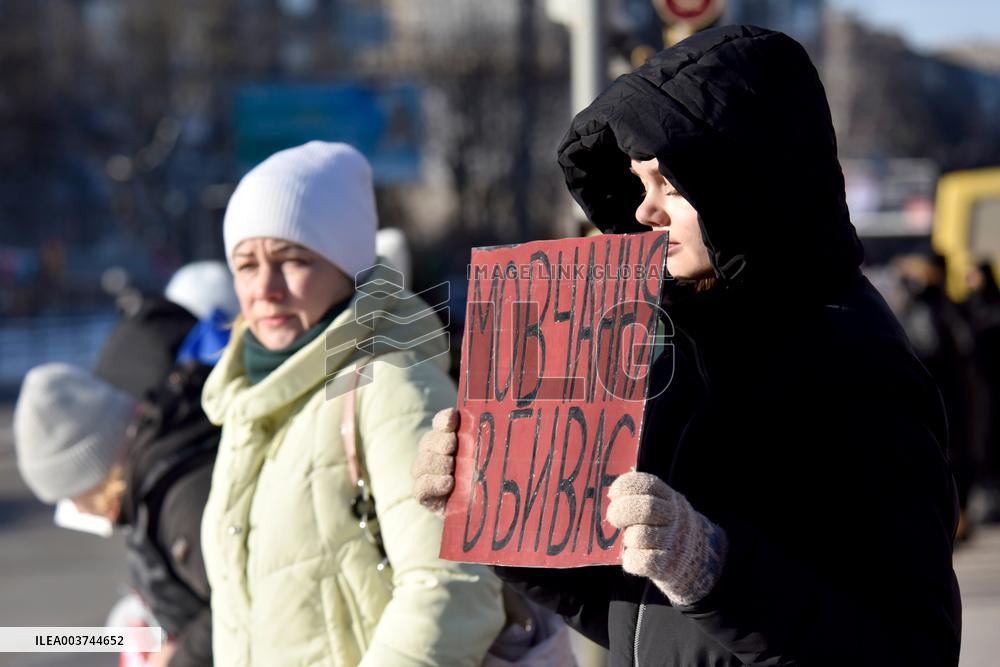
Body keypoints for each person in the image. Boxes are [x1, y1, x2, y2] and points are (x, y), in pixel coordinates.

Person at [413, 25, 962, 666]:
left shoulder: (855, 361)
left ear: (747, 184)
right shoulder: (683, 343)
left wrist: (714, 571)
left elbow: (910, 648)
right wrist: (504, 513)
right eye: (640, 184)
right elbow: (638, 623)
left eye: (670, 186)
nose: (646, 212)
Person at [200, 140, 505, 666]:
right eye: (246, 264)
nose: (265, 288)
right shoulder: (248, 402)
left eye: (293, 260)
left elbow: (454, 585)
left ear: (348, 270)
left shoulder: (388, 385)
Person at [13, 362, 214, 667]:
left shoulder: (179, 498)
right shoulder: (151, 481)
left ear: (94, 473)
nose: (75, 510)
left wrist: (172, 659)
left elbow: (235, 609)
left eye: (73, 496)